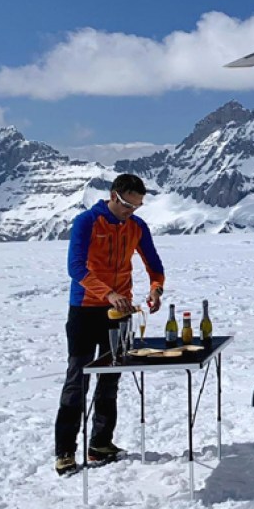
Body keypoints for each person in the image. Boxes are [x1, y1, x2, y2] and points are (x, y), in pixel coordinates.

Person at [53, 173, 164, 475]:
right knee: (78, 378)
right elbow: (75, 267)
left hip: (121, 311)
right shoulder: (87, 222)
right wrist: (108, 293)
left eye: (137, 207)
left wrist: (156, 289)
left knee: (112, 376)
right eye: (128, 205)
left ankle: (100, 442)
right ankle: (65, 451)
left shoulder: (137, 227)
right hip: (86, 309)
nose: (132, 212)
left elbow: (154, 265)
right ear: (114, 196)